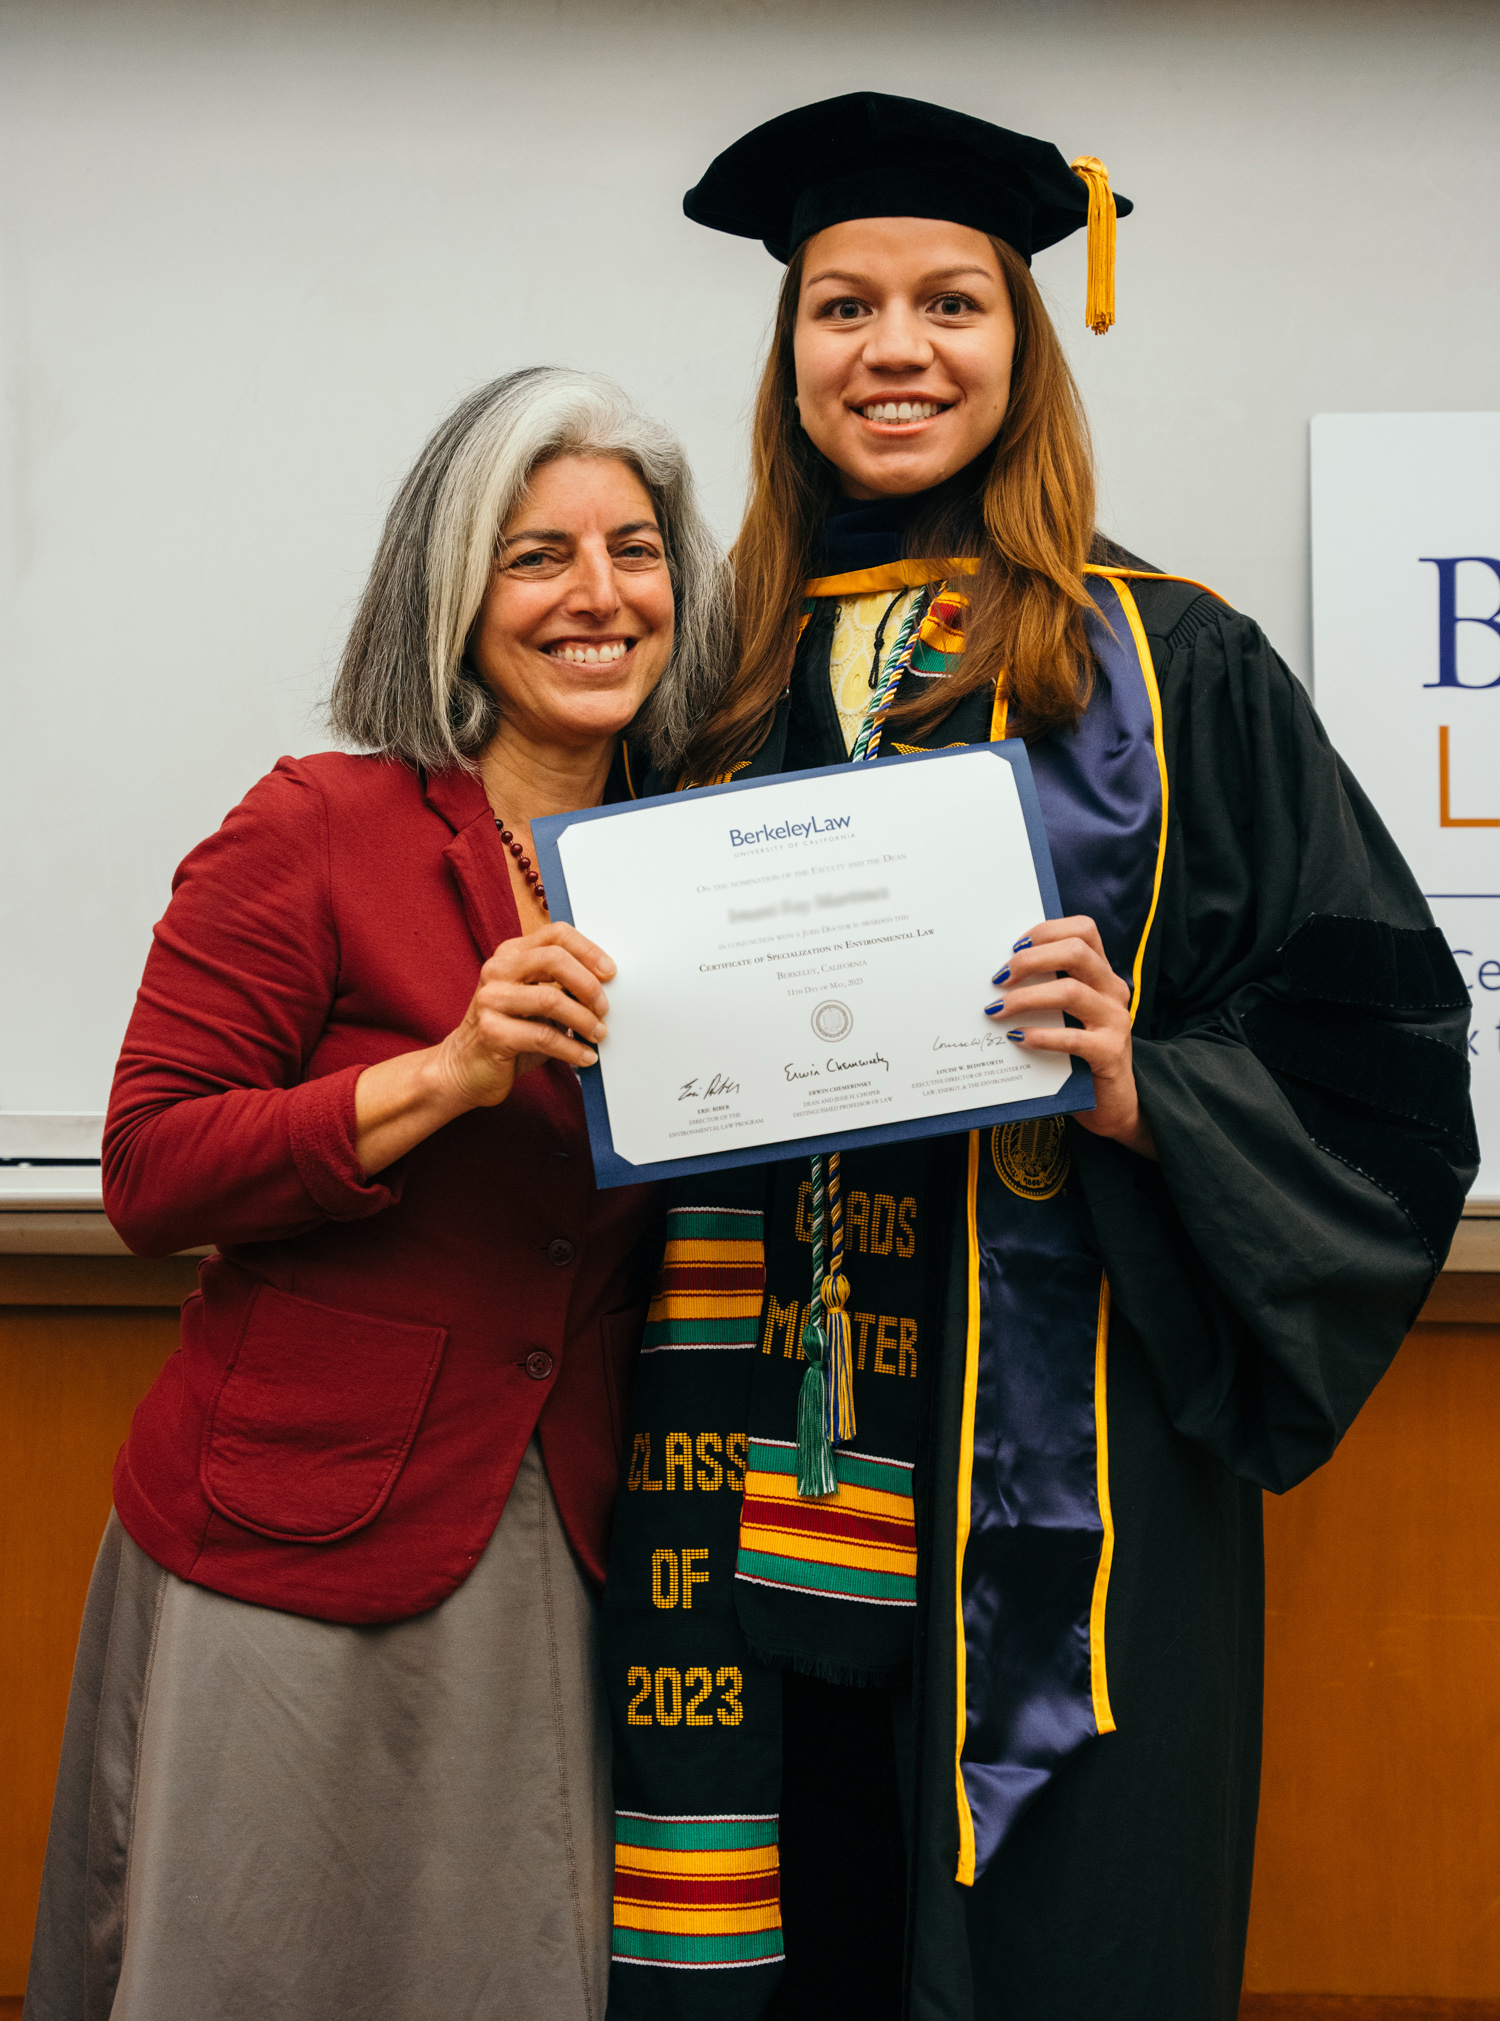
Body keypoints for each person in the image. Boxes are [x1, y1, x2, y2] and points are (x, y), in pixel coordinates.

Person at [599, 96, 1478, 2021]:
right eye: (842, 308)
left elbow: (1391, 1046)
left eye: (949, 304)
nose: (893, 349)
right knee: (776, 1913)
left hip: (1056, 1448)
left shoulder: (1176, 664)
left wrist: (1149, 1079)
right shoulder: (708, 669)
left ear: (1024, 342)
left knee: (1051, 1937)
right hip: (743, 1443)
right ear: (790, 351)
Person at [23, 367, 728, 2021]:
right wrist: (443, 1074)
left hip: (570, 1526)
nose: (600, 595)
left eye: (636, 549)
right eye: (538, 555)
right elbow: (150, 1168)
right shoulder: (314, 828)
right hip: (285, 1523)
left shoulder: (716, 859)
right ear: (452, 589)